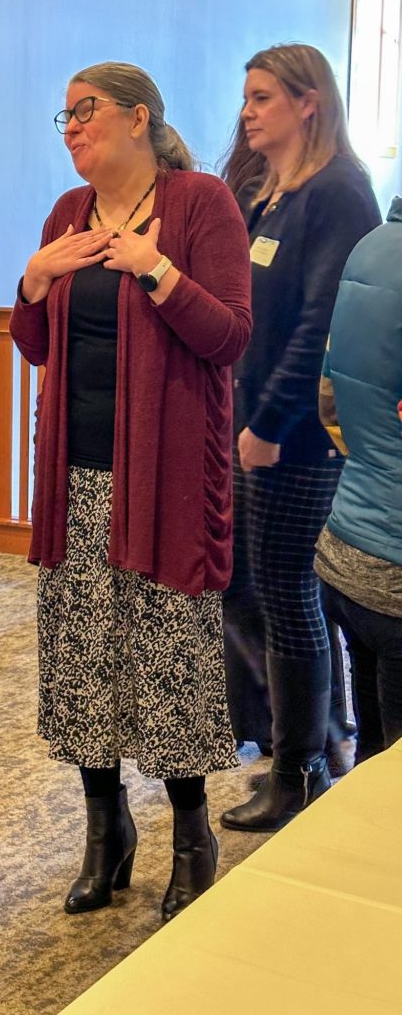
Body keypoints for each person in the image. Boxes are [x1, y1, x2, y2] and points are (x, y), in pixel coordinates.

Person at [10, 61, 252, 923]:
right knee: (83, 657)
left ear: (139, 117)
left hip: (167, 480)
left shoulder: (199, 205)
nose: (72, 128)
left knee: (168, 657)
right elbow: (36, 345)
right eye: (65, 116)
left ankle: (192, 836)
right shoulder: (66, 215)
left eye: (87, 111)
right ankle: (104, 833)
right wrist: (32, 281)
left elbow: (230, 337)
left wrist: (158, 271)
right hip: (74, 477)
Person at [219, 43, 381, 834]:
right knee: (270, 595)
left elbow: (320, 328)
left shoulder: (339, 192)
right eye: (247, 97)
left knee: (289, 600)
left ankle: (300, 773)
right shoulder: (273, 194)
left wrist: (270, 423)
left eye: (263, 98)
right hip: (256, 424)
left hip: (298, 439)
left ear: (308, 102)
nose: (247, 112)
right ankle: (304, 756)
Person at [315, 196, 402, 763]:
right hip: (395, 572)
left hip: (345, 551)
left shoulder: (368, 248)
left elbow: (329, 403)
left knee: (374, 760)